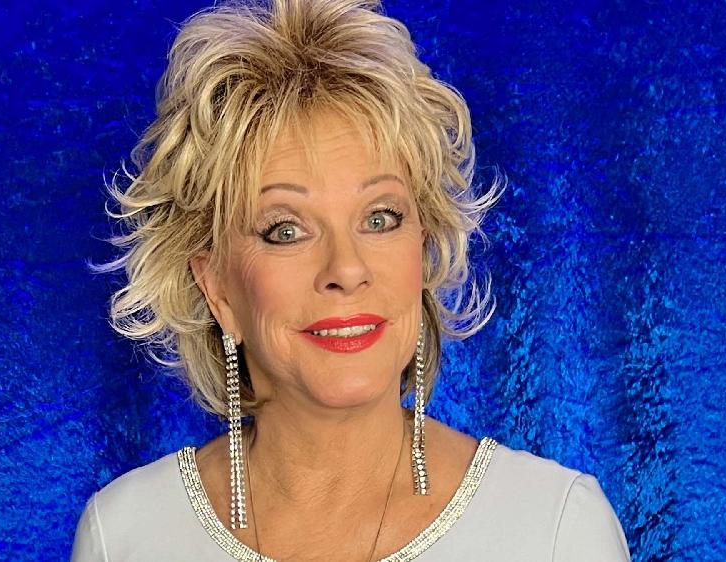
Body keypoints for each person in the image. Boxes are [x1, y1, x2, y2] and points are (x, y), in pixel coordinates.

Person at [72, 0, 632, 560]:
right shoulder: (125, 536)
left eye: (379, 218)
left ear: (423, 249)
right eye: (286, 230)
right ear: (218, 288)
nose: (346, 269)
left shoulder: (557, 528)